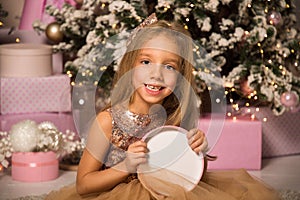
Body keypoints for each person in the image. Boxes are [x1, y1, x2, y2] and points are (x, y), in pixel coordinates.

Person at [46, 14, 280, 200]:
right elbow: (84, 184)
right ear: (130, 65)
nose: (156, 74)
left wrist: (198, 152)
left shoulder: (171, 118)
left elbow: (189, 175)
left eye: (169, 66)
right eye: (146, 62)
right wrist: (126, 166)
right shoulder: (108, 121)